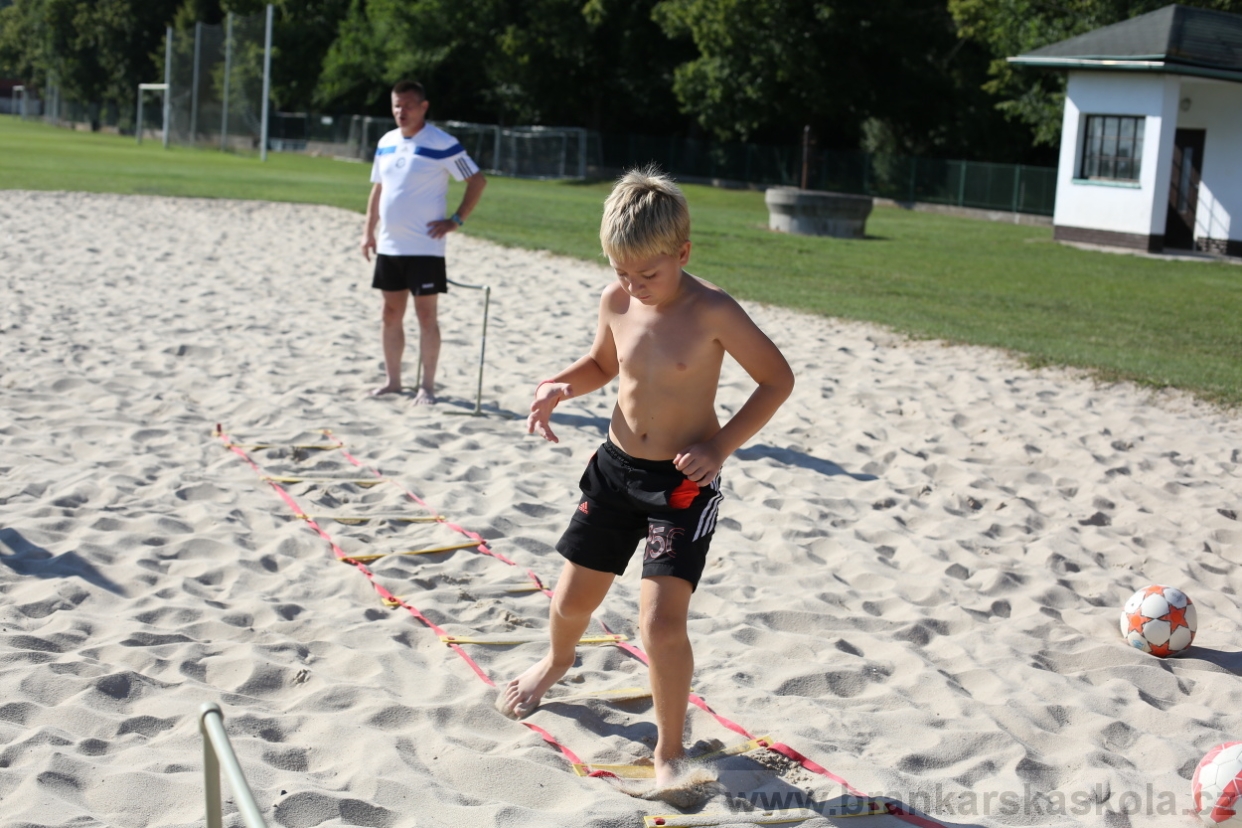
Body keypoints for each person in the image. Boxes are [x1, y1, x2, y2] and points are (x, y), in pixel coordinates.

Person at [497, 167, 795, 792]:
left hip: (683, 488)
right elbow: (605, 362)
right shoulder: (617, 299)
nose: (633, 286)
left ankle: (667, 747)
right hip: (614, 471)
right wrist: (560, 384)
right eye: (621, 272)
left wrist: (719, 446)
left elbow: (777, 380)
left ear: (682, 253)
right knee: (573, 600)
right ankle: (555, 661)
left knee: (659, 623)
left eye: (647, 274)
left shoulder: (713, 310)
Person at [361, 80, 487, 405]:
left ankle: (427, 387)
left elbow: (477, 180)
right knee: (390, 314)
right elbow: (378, 189)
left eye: (408, 105)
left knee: (426, 316)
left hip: (425, 248)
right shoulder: (386, 142)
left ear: (423, 107)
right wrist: (367, 231)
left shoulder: (442, 143)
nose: (401, 111)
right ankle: (393, 382)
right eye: (396, 105)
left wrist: (456, 220)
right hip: (390, 245)